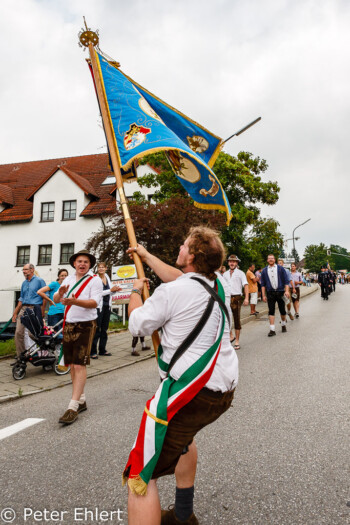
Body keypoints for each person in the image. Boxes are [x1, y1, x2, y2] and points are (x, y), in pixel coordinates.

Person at [123, 226, 238, 525]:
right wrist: (146, 256)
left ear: (193, 255)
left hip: (193, 393)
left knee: (142, 471)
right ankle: (184, 515)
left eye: (184, 244)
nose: (180, 246)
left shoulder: (172, 292)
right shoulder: (218, 285)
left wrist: (136, 290)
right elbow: (177, 277)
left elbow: (137, 325)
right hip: (222, 392)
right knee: (185, 441)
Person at [53, 250, 103, 425]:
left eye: (86, 262)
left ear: (90, 265)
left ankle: (72, 407)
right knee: (71, 365)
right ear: (74, 263)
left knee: (78, 364)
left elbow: (94, 303)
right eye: (79, 261)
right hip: (69, 323)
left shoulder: (94, 280)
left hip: (86, 324)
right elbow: (56, 299)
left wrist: (74, 301)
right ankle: (81, 400)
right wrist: (60, 293)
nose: (82, 264)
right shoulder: (68, 279)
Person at [12, 264, 46, 358]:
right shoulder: (24, 283)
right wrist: (15, 313)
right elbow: (21, 299)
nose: (24, 271)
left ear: (32, 270)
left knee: (33, 334)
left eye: (26, 269)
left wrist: (42, 311)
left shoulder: (39, 281)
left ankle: (46, 349)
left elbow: (45, 297)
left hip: (35, 308)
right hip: (24, 308)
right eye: (23, 270)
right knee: (18, 333)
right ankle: (21, 356)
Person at [90, 262, 121, 359]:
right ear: (97, 269)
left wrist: (115, 290)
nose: (101, 269)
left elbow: (110, 291)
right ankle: (92, 351)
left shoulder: (107, 277)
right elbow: (98, 293)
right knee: (96, 329)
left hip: (107, 306)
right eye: (99, 267)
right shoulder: (95, 279)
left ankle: (102, 350)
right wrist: (110, 291)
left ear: (106, 268)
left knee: (104, 329)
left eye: (103, 267)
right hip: (99, 307)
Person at [223, 255, 249, 350]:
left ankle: (237, 340)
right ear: (228, 262)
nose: (232, 263)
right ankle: (230, 336)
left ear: (237, 263)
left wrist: (246, 298)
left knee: (236, 319)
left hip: (236, 297)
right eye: (230, 261)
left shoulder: (240, 273)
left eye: (234, 261)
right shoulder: (225, 274)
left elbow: (245, 285)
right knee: (226, 318)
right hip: (226, 298)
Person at [261, 254, 290, 337]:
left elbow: (286, 281)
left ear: (274, 259)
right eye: (269, 258)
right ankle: (272, 329)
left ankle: (283, 324)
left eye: (272, 258)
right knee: (271, 310)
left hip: (281, 292)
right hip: (270, 293)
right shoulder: (264, 271)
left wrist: (287, 291)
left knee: (282, 310)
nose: (270, 260)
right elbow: (263, 284)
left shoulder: (280, 269)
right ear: (267, 260)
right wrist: (263, 295)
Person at [37, 269, 68, 334]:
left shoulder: (68, 285)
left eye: (65, 275)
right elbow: (40, 292)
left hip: (65, 313)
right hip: (54, 313)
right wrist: (50, 300)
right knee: (54, 334)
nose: (64, 277)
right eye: (62, 275)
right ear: (58, 277)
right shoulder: (54, 284)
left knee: (64, 335)